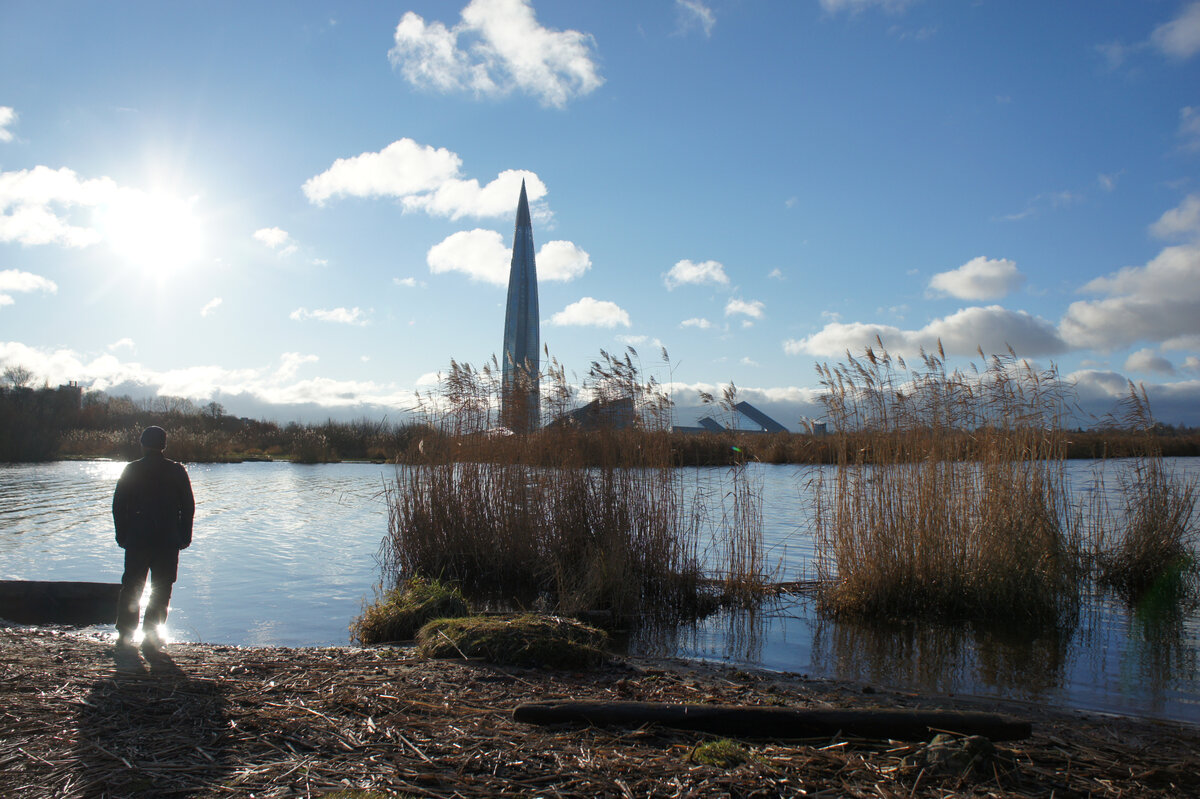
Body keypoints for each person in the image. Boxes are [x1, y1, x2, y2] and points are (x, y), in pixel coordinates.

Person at [112, 425, 195, 650]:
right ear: (163, 446)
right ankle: (151, 633)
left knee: (131, 586)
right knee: (162, 588)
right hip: (168, 541)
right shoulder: (177, 471)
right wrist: (185, 536)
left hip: (137, 540)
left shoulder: (131, 469)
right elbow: (188, 507)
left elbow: (118, 506)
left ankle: (125, 633)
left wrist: (122, 535)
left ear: (143, 444)